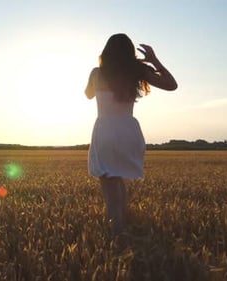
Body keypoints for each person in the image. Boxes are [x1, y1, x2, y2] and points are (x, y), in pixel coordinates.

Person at [85, 33, 177, 237]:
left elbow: (88, 94)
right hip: (129, 132)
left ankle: (118, 235)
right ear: (130, 53)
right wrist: (154, 61)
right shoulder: (137, 71)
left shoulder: (96, 73)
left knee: (110, 188)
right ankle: (125, 225)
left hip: (106, 132)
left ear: (106, 52)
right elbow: (171, 85)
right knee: (119, 180)